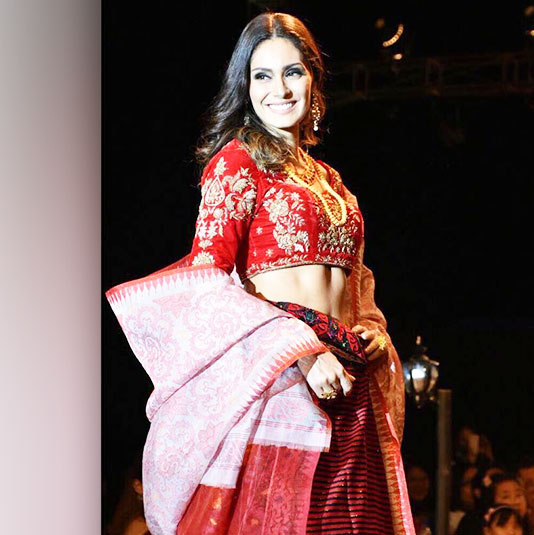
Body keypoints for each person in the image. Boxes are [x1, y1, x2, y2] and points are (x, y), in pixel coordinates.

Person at [106, 11, 414, 535]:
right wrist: (300, 350)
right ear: (245, 87)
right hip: (284, 376)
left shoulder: (333, 182)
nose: (280, 90)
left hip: (349, 375)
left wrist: (373, 331)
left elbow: (358, 282)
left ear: (313, 77)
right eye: (262, 76)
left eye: (292, 72)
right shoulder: (238, 161)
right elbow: (207, 282)